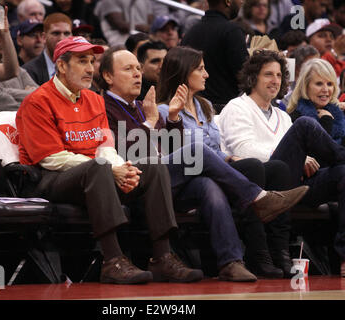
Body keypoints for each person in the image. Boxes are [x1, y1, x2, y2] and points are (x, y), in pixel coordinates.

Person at [99, 47, 309, 280]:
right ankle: (258, 199)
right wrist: (151, 123)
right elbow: (127, 153)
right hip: (133, 183)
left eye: (139, 68)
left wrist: (173, 119)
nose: (138, 74)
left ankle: (230, 261)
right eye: (129, 69)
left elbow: (168, 149)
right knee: (201, 151)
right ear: (108, 76)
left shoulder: (141, 106)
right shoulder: (104, 107)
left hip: (165, 180)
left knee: (209, 186)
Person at [16, 36, 204, 284]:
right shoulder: (38, 101)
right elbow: (52, 158)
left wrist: (119, 167)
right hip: (51, 180)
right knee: (99, 167)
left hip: (97, 174)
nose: (89, 68)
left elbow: (105, 145)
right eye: (82, 61)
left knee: (153, 166)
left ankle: (162, 257)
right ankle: (112, 260)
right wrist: (109, 168)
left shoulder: (94, 99)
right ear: (62, 66)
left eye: (92, 61)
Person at [217, 49, 345, 277]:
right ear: (253, 77)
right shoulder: (237, 107)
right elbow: (244, 151)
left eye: (278, 75)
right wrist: (297, 155)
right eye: (268, 74)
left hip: (295, 185)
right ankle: (280, 253)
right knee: (305, 125)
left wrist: (298, 156)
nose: (275, 80)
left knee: (343, 172)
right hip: (261, 182)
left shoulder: (282, 115)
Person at [181, 0, 249, 113]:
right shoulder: (232, 31)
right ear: (228, 1)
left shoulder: (190, 33)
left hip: (194, 110)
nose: (242, 1)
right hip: (225, 112)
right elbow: (247, 75)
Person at [288, 58, 345, 147]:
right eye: (319, 84)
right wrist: (326, 121)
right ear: (305, 86)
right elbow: (319, 152)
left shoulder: (339, 115)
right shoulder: (295, 119)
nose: (326, 90)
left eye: (330, 84)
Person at [22, 12, 72, 85]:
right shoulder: (29, 71)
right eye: (56, 33)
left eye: (66, 33)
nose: (62, 38)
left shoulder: (78, 67)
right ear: (44, 37)